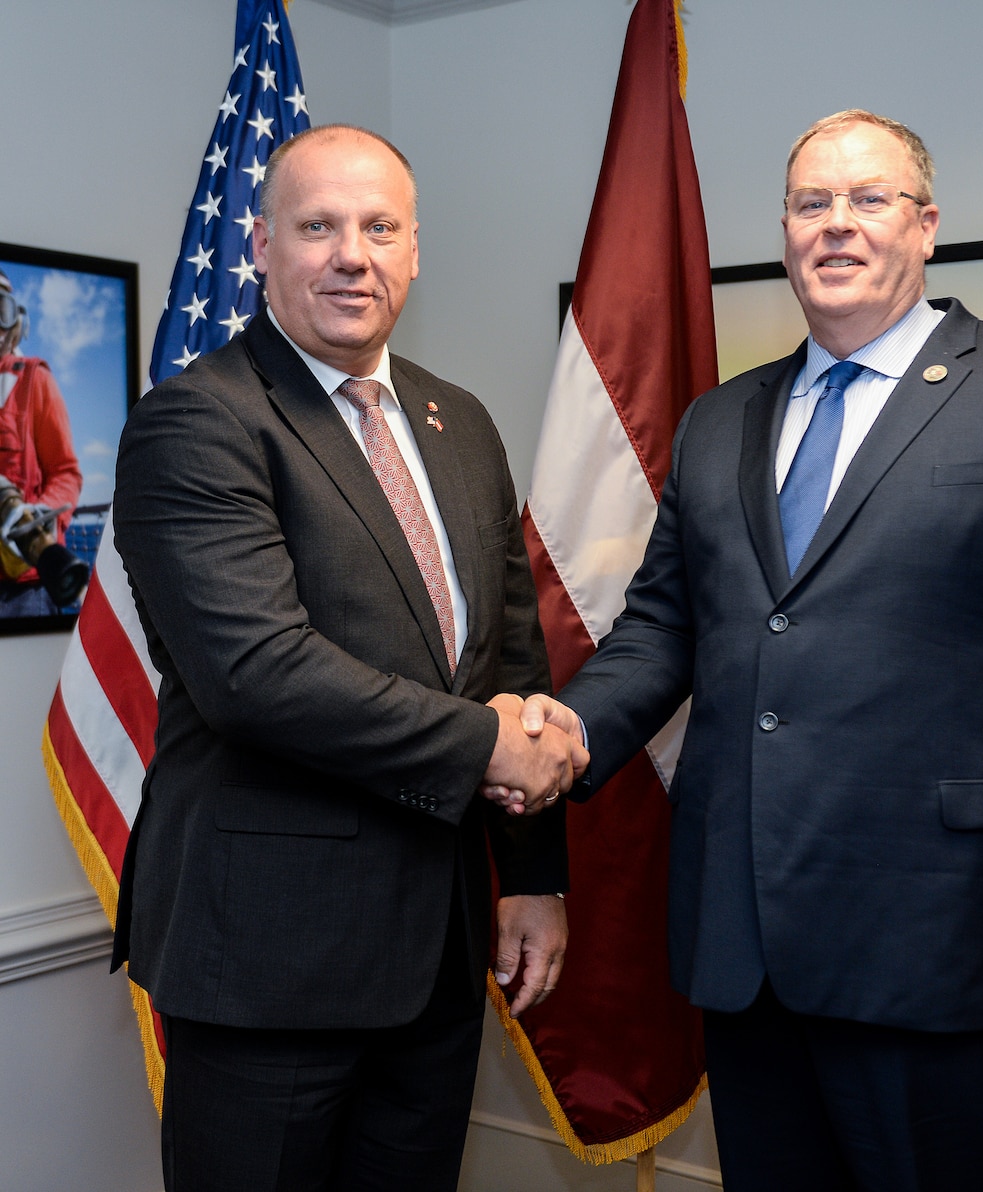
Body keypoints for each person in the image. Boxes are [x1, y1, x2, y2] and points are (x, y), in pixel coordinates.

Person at [508, 110, 983, 1191]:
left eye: (867, 199)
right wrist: (564, 732)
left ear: (924, 228)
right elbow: (661, 628)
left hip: (952, 948)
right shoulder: (718, 422)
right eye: (809, 203)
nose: (836, 225)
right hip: (747, 954)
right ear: (784, 231)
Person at [111, 124, 586, 1192]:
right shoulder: (199, 422)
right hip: (269, 959)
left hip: (440, 950)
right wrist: (489, 750)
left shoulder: (456, 422)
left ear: (415, 250)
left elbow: (511, 654)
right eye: (317, 226)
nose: (350, 254)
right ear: (262, 247)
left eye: (378, 227)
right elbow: (258, 672)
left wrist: (535, 877)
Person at [0, 265, 83, 616]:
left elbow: (66, 473)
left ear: (15, 320)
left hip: (23, 591)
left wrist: (38, 514)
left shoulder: (35, 380)